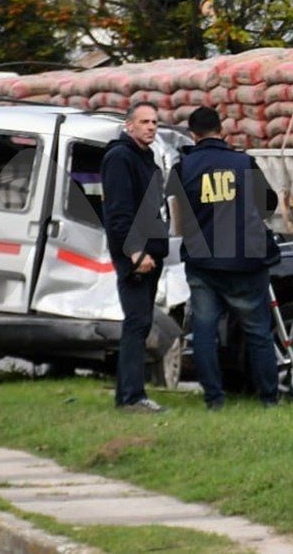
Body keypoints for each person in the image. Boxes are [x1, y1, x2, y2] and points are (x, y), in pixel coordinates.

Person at [170, 106, 280, 410]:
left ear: (193, 135)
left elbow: (177, 216)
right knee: (258, 331)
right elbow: (269, 204)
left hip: (203, 262)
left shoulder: (182, 168)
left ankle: (214, 399)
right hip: (246, 260)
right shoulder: (243, 162)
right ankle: (269, 399)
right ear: (222, 130)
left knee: (204, 331)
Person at [101, 103, 170, 413]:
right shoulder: (120, 157)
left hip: (150, 252)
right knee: (136, 323)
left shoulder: (145, 156)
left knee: (141, 324)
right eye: (144, 122)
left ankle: (130, 394)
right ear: (129, 125)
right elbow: (119, 212)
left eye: (154, 122)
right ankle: (131, 397)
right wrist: (135, 252)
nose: (151, 127)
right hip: (136, 255)